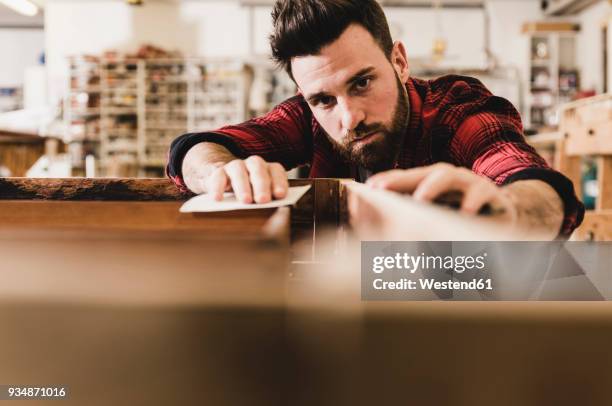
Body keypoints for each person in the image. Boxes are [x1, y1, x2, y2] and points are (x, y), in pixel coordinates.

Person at [167, 0, 583, 239]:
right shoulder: (307, 118)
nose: (350, 118)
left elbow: (532, 183)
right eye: (324, 100)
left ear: (399, 61)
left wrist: (508, 209)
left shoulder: (455, 111)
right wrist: (219, 173)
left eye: (362, 82)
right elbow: (195, 149)